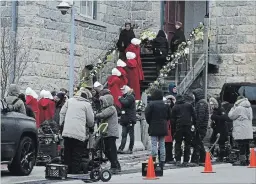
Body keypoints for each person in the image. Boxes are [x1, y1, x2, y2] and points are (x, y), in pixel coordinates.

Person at [59, 88, 94, 174]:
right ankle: (75, 171)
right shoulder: (87, 104)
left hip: (67, 131)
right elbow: (90, 120)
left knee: (68, 152)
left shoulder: (70, 101)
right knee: (77, 153)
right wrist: (90, 127)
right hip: (79, 132)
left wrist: (62, 124)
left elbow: (62, 113)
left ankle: (66, 170)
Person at [95, 94, 121, 173]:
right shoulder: (108, 108)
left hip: (111, 133)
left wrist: (94, 114)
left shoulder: (111, 108)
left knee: (111, 150)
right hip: (106, 133)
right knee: (107, 150)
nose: (102, 104)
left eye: (103, 102)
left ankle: (115, 166)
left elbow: (102, 115)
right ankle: (116, 165)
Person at [145, 89, 169, 167]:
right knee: (162, 144)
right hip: (163, 126)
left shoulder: (151, 104)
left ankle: (153, 160)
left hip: (153, 126)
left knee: (154, 144)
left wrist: (150, 122)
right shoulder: (165, 105)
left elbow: (147, 115)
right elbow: (169, 115)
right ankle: (162, 161)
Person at [172, 95, 196, 166]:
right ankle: (186, 160)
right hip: (188, 126)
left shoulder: (175, 107)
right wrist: (193, 124)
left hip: (178, 126)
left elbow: (172, 120)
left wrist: (174, 129)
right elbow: (194, 115)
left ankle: (178, 160)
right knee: (187, 143)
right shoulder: (189, 105)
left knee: (178, 143)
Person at [228, 96, 253, 166]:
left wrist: (233, 108)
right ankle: (248, 159)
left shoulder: (239, 108)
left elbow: (231, 116)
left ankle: (242, 161)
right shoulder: (249, 107)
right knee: (246, 144)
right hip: (248, 129)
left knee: (241, 144)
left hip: (241, 129)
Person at [190, 88, 209, 165]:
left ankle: (196, 160)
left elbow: (200, 116)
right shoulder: (199, 103)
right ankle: (203, 159)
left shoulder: (201, 103)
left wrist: (196, 125)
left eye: (194, 95)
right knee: (198, 143)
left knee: (197, 143)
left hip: (201, 127)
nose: (193, 97)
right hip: (200, 126)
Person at [117, 85, 136, 154]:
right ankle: (121, 148)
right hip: (125, 119)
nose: (121, 91)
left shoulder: (130, 96)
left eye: (122, 90)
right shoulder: (127, 96)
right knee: (124, 134)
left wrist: (120, 99)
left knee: (130, 135)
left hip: (129, 119)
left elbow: (126, 103)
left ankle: (130, 149)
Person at [209, 97, 229, 162]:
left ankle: (221, 157)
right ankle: (209, 156)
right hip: (216, 129)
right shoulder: (214, 110)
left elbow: (225, 118)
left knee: (221, 143)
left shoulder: (221, 109)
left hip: (222, 129)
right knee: (212, 142)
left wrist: (215, 117)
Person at [164, 95, 176, 164]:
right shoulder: (170, 108)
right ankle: (168, 158)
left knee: (168, 144)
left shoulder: (173, 108)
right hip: (169, 127)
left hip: (170, 127)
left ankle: (167, 157)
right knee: (168, 144)